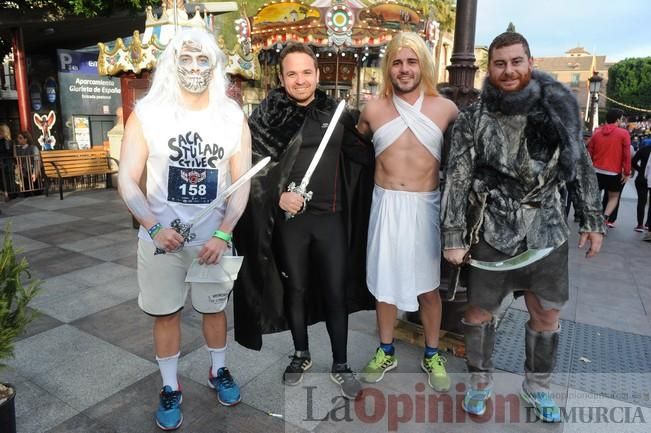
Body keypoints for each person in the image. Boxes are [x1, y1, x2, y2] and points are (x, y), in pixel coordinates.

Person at [441, 32, 604, 422]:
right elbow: (457, 179)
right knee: (478, 315)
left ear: (529, 63)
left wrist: (592, 219)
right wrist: (453, 235)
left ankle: (538, 389)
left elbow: (579, 166)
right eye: (500, 63)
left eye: (516, 61)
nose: (508, 70)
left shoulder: (557, 111)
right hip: (491, 230)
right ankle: (479, 384)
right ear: (490, 68)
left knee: (546, 316)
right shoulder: (473, 118)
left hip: (547, 231)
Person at [118, 28, 251, 430]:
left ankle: (219, 370)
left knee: (214, 309)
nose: (194, 67)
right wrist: (153, 225)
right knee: (165, 314)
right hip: (161, 240)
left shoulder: (231, 116)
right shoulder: (147, 114)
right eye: (186, 59)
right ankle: (170, 386)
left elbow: (241, 183)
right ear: (171, 64)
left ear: (215, 65)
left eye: (202, 59)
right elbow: (127, 179)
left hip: (214, 239)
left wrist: (224, 232)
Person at [232, 42, 375, 400]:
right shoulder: (267, 115)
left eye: (306, 72)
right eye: (292, 73)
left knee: (334, 291)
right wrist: (277, 195)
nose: (300, 80)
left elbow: (365, 157)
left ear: (317, 74)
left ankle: (341, 363)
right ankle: (301, 354)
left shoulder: (337, 112)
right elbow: (252, 169)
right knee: (295, 288)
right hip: (290, 222)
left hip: (332, 220)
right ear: (281, 77)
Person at [355, 32, 457, 391]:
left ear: (423, 65)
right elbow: (356, 149)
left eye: (411, 61)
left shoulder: (445, 109)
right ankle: (386, 349)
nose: (404, 69)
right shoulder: (372, 110)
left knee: (429, 289)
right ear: (389, 67)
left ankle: (432, 353)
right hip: (385, 206)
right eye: (397, 62)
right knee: (384, 285)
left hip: (426, 207)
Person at [588, 108, 631, 228]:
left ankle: (593, 218)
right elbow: (626, 155)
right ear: (617, 120)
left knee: (595, 196)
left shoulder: (597, 134)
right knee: (613, 197)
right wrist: (626, 172)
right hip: (613, 172)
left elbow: (589, 153)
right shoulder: (624, 134)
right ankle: (605, 217)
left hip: (596, 170)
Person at [632, 137, 651, 231]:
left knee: (641, 202)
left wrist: (640, 170)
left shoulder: (644, 150)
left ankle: (640, 224)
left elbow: (633, 161)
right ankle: (648, 224)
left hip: (642, 178)